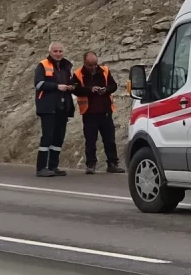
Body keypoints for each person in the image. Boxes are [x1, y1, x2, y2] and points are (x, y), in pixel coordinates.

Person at [72, 51, 124, 175]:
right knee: (90, 141)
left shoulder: (105, 71)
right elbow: (76, 90)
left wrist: (105, 89)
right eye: (90, 65)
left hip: (105, 112)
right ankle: (91, 165)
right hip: (89, 113)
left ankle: (112, 164)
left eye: (95, 64)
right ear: (84, 63)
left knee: (109, 140)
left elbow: (113, 86)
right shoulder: (78, 74)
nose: (93, 67)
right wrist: (90, 90)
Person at [34, 42, 76, 177]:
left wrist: (71, 86)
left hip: (63, 107)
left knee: (58, 138)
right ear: (50, 52)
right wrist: (57, 86)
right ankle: (41, 167)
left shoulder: (67, 66)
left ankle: (53, 166)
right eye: (55, 51)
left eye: (60, 51)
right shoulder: (42, 65)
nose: (58, 54)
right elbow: (39, 84)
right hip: (48, 107)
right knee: (47, 137)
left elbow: (71, 81)